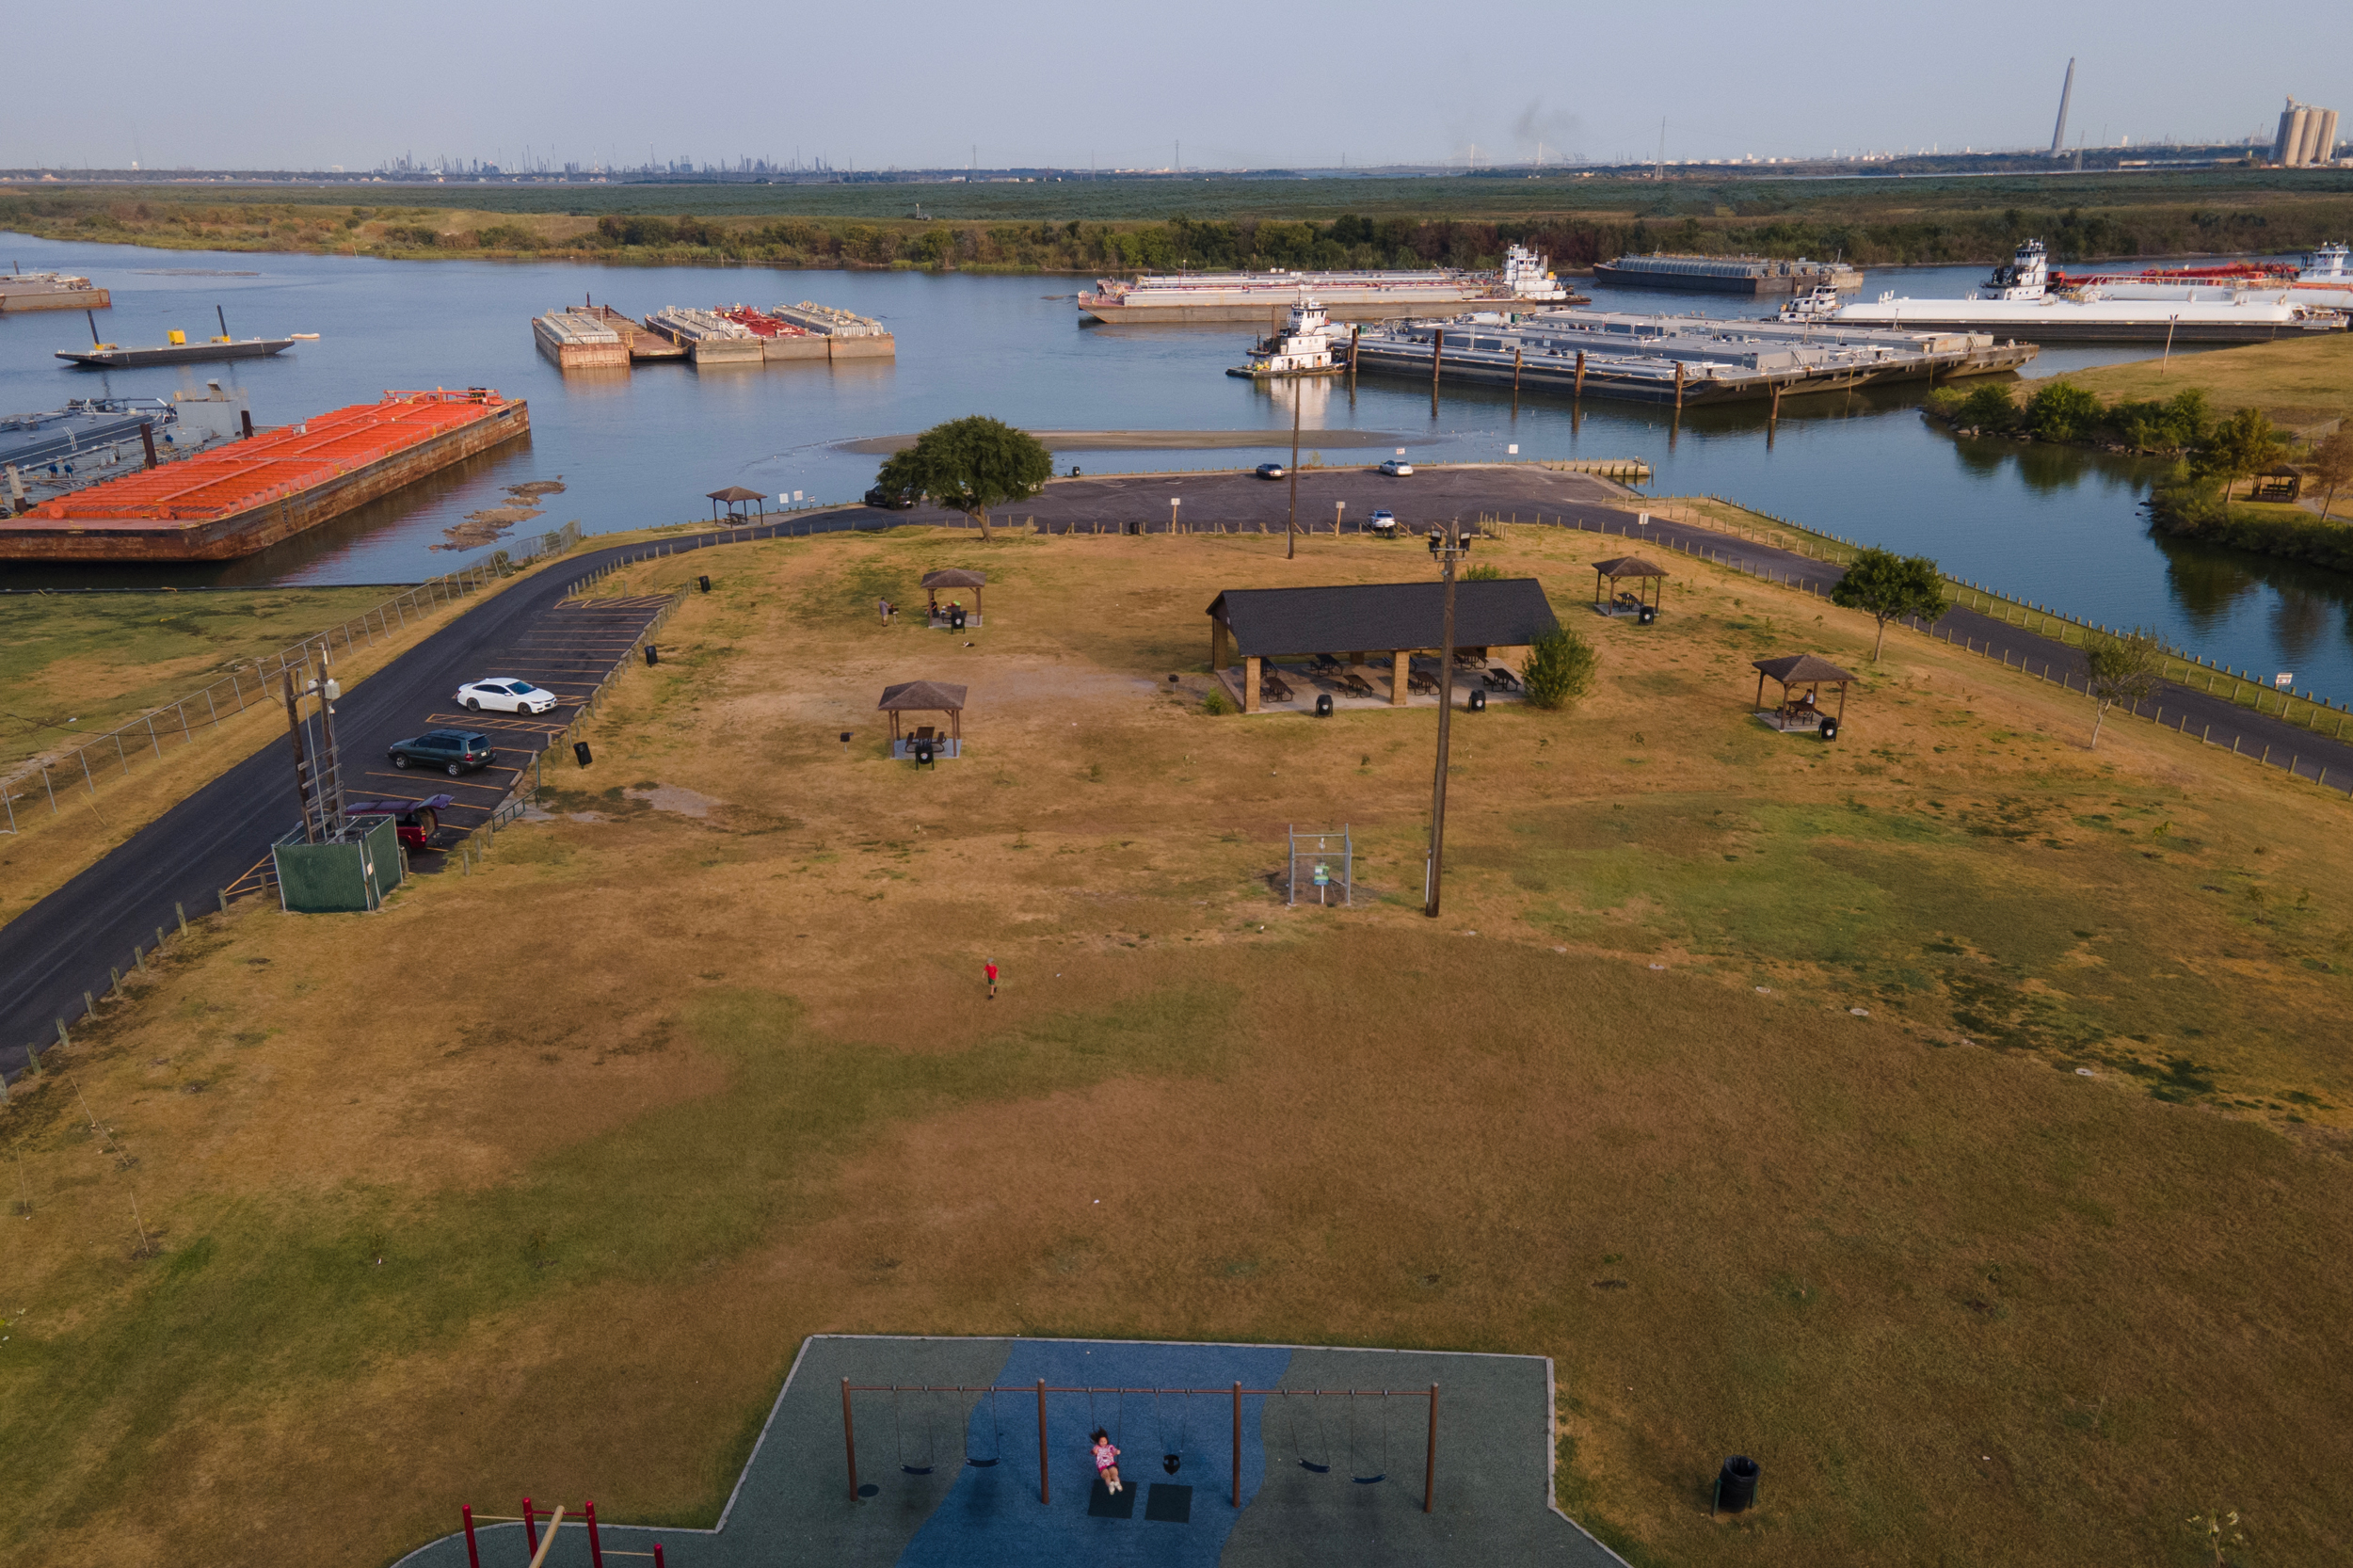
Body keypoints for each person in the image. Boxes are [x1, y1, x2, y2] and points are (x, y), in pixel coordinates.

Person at [1091, 1428, 1123, 1495]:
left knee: (1114, 1474)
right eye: (1101, 1442)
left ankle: (1117, 1483)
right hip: (1102, 1466)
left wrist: (1117, 1452)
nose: (1103, 1443)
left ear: (1107, 1441)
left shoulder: (1110, 1446)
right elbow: (1094, 1452)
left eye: (1104, 1441)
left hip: (1111, 1464)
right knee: (1107, 1476)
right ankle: (1110, 1485)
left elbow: (1114, 1451)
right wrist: (1095, 1451)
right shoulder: (1097, 1447)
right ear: (1098, 1442)